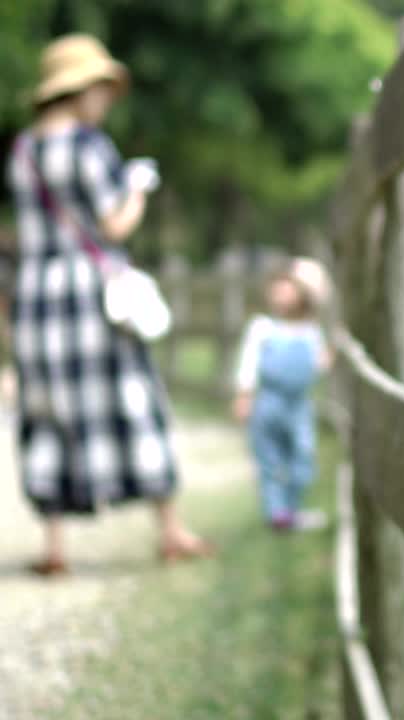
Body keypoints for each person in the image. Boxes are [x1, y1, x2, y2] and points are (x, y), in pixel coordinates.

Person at [6, 34, 212, 576]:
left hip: (38, 296)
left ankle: (54, 549)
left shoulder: (23, 151)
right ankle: (170, 530)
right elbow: (114, 223)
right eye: (100, 87)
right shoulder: (88, 147)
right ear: (77, 90)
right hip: (91, 296)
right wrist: (138, 186)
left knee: (47, 411)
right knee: (132, 398)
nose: (106, 98)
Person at [233, 260, 331, 532]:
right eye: (276, 290)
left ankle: (292, 508)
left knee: (302, 456)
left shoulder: (311, 330)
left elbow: (319, 364)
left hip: (299, 405)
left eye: (288, 290)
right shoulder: (262, 328)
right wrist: (244, 396)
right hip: (268, 402)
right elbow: (248, 364)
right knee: (269, 459)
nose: (281, 296)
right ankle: (277, 514)